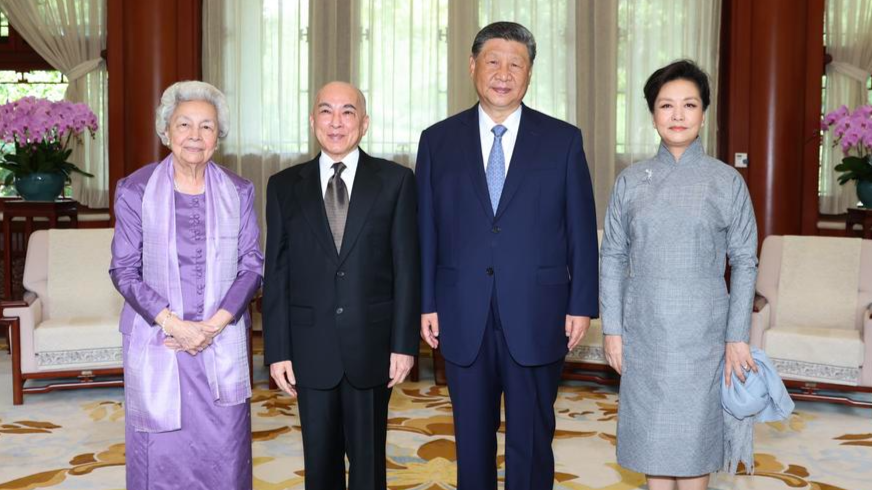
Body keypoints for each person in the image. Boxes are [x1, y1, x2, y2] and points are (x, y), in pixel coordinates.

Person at [416, 22, 599, 489]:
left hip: (539, 311)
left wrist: (581, 304)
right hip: (461, 311)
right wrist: (426, 302)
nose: (503, 73)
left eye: (516, 63)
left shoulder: (562, 140)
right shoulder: (437, 140)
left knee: (532, 437)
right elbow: (426, 230)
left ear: (530, 73)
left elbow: (580, 227)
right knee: (470, 438)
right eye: (493, 61)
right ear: (472, 66)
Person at [600, 60, 758, 490]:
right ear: (652, 114)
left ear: (704, 112)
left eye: (689, 104)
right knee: (654, 445)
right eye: (666, 105)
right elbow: (612, 255)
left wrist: (736, 335)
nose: (677, 115)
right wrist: (612, 329)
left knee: (693, 446)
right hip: (645, 331)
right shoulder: (630, 181)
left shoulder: (726, 182)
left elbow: (745, 260)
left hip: (704, 336)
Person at [262, 81, 420, 490]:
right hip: (310, 348)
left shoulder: (396, 181)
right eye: (326, 111)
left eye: (347, 112)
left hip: (372, 345)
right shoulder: (283, 186)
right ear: (313, 120)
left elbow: (407, 267)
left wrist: (404, 344)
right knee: (319, 464)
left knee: (368, 466)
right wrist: (277, 350)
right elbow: (276, 273)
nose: (336, 122)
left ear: (364, 123)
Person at [110, 80, 263, 490]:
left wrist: (212, 326)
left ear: (219, 136)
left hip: (221, 340)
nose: (195, 136)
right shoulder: (135, 191)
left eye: (207, 126)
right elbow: (123, 269)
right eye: (184, 125)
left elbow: (252, 266)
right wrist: (174, 324)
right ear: (166, 132)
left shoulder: (240, 190)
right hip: (160, 340)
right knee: (160, 454)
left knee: (223, 452)